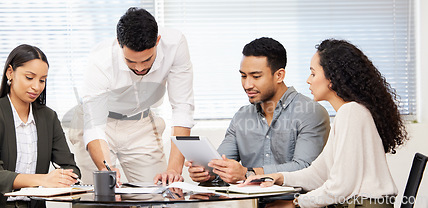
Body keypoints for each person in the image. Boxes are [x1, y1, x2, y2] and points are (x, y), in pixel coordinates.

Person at [243, 39, 408, 208]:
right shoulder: (349, 113)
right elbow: (319, 174)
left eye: (313, 73)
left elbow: (339, 188)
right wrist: (279, 177)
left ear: (332, 79)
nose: (309, 80)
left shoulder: (351, 112)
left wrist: (295, 203)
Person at [187, 37, 330, 184]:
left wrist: (248, 173)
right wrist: (207, 172)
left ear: (279, 75)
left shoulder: (311, 112)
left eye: (256, 76)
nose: (247, 85)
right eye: (243, 76)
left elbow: (305, 168)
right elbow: (222, 164)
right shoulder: (241, 117)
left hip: (294, 203)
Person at [77, 7, 194, 184]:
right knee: (98, 195)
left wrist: (173, 170)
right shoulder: (100, 60)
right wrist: (105, 167)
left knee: (159, 193)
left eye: (147, 60)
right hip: (100, 124)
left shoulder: (175, 44)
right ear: (119, 43)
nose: (139, 68)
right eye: (131, 61)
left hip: (140, 122)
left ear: (157, 41)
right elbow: (94, 125)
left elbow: (182, 108)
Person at [0, 44, 81, 208]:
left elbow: (71, 168)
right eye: (29, 77)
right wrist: (44, 179)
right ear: (10, 72)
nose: (37, 87)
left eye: (42, 80)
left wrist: (64, 177)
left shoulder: (49, 117)